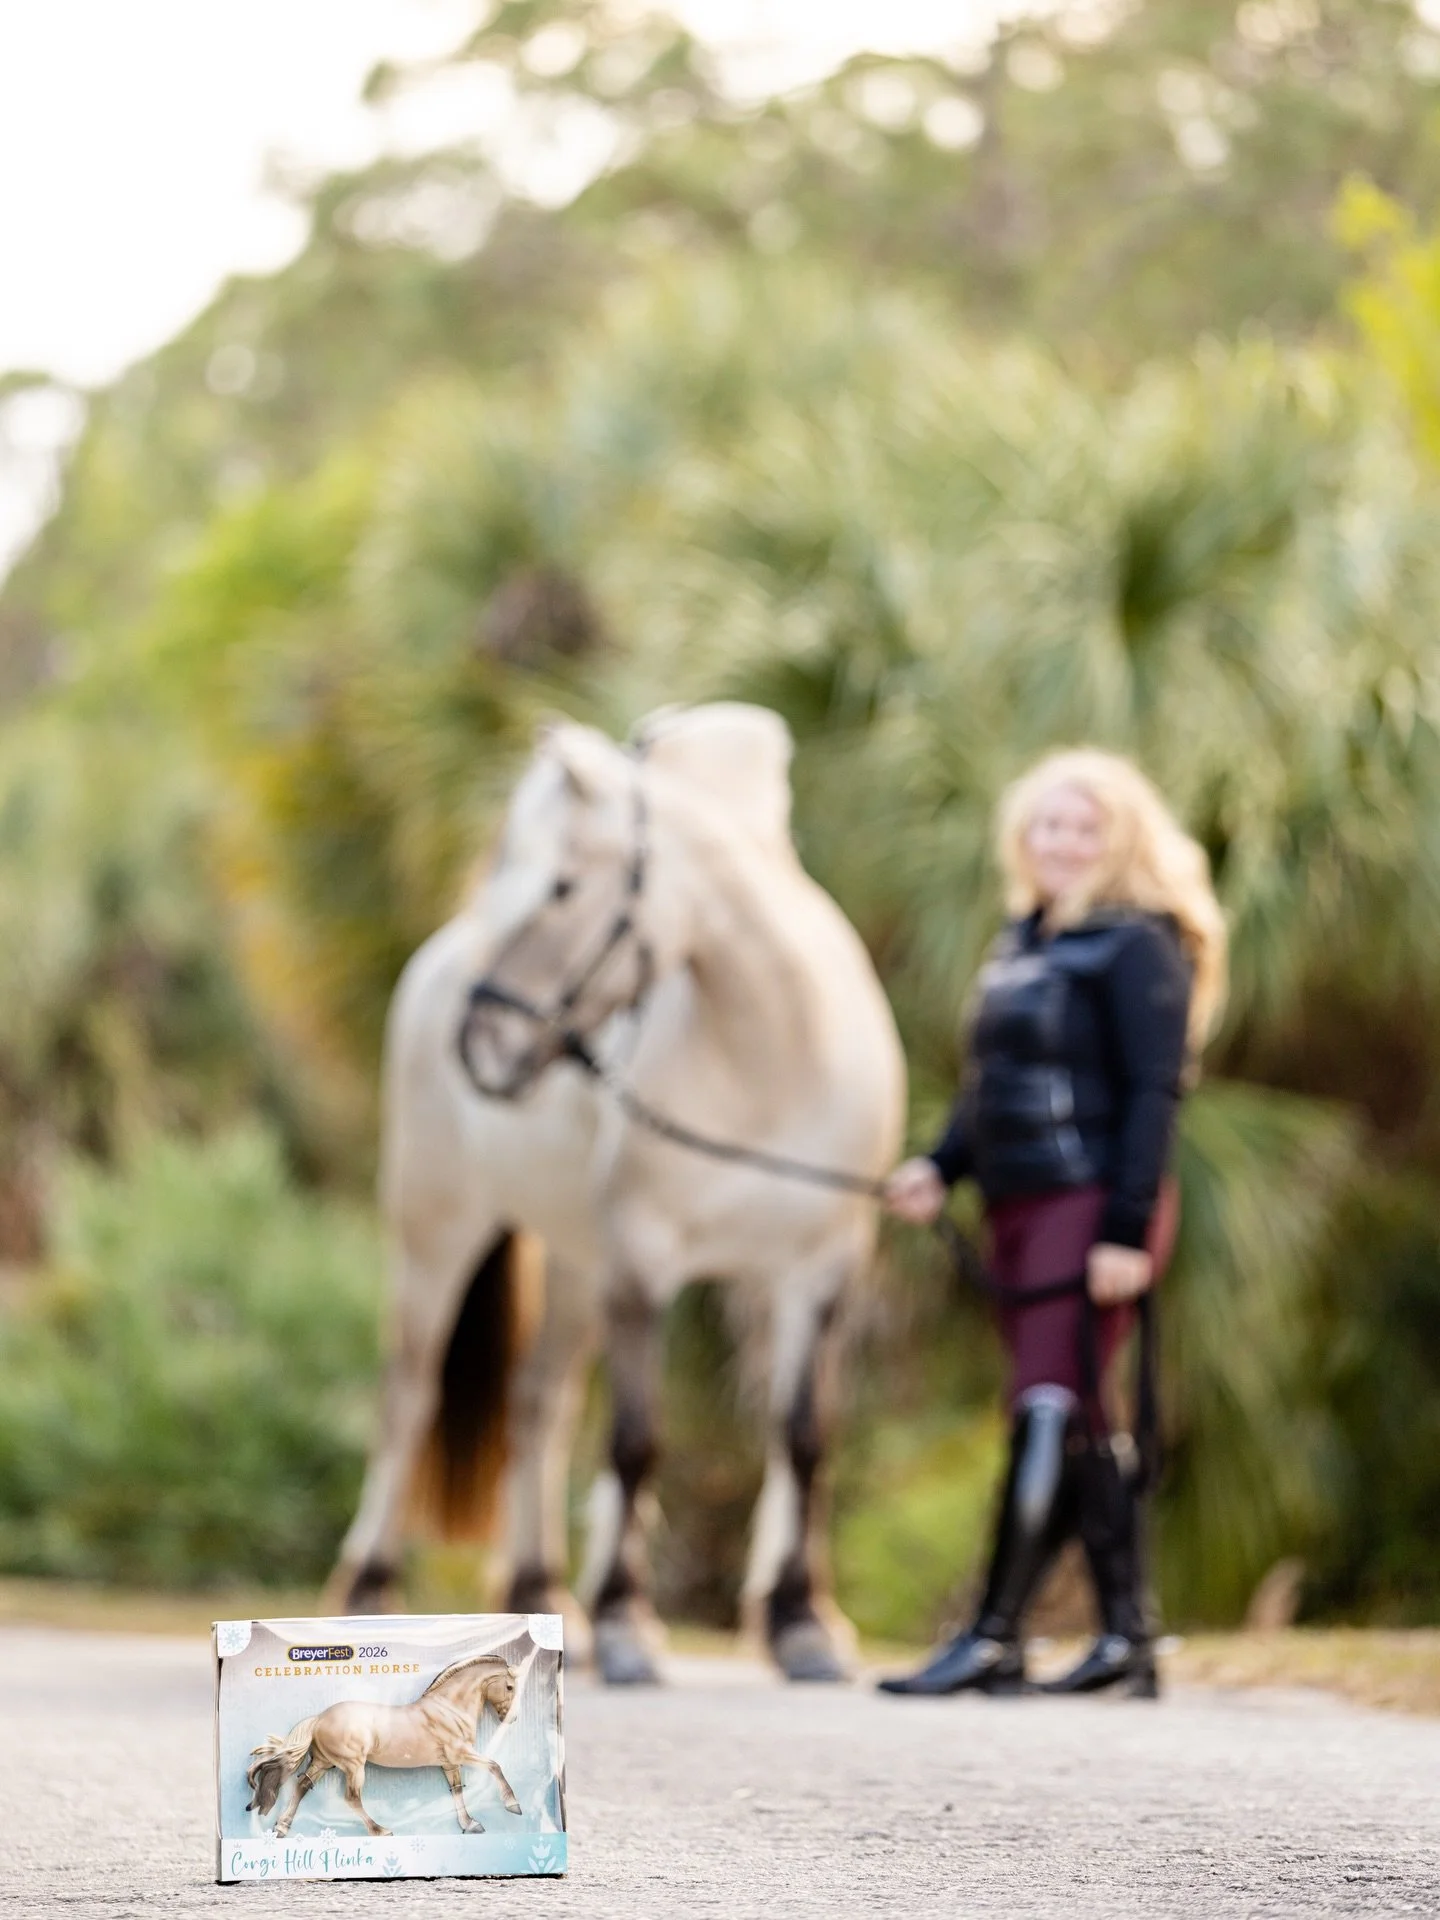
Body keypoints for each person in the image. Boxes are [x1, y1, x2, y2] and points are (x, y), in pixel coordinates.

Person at [877, 748, 1226, 1699]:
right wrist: (938, 1169)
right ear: (1022, 839)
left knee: (1045, 1397)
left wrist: (1122, 1229)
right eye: (1048, 825)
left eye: (1085, 827)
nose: (1064, 842)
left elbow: (1158, 1092)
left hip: (1095, 1204)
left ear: (1121, 841)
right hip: (1019, 1209)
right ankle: (1129, 1642)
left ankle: (993, 1635)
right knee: (1079, 1410)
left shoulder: (1138, 943)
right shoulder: (1022, 939)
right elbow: (990, 1089)